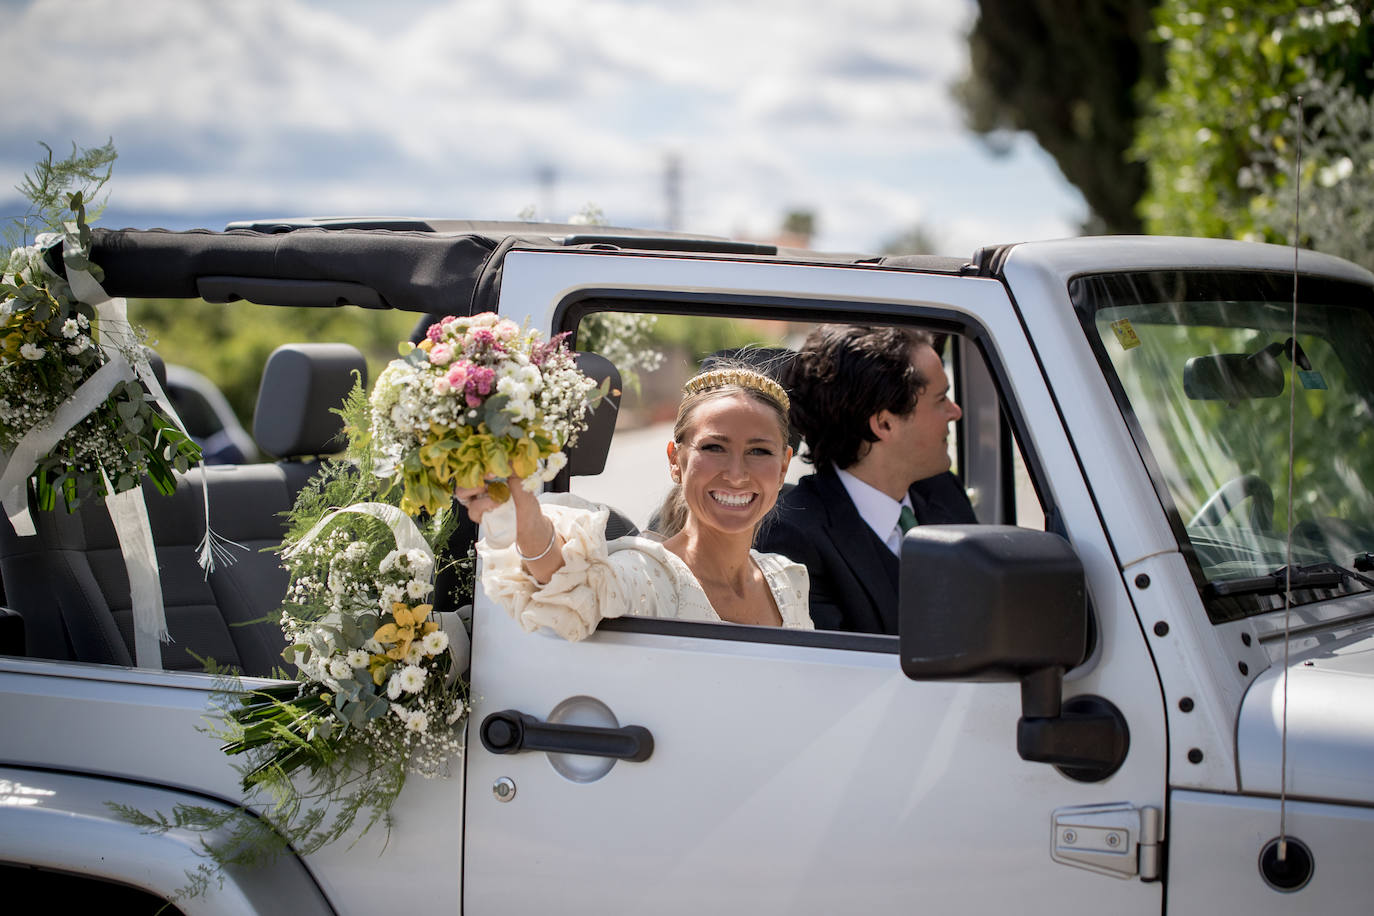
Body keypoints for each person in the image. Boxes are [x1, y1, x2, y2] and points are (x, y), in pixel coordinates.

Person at [456, 365, 813, 640]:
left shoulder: (788, 579)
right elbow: (568, 582)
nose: (736, 474)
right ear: (676, 460)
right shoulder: (645, 575)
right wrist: (524, 516)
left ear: (783, 467)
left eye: (758, 451)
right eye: (714, 447)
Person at [756, 325, 975, 634]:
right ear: (884, 423)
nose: (956, 412)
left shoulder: (944, 492)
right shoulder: (793, 538)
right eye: (941, 400)